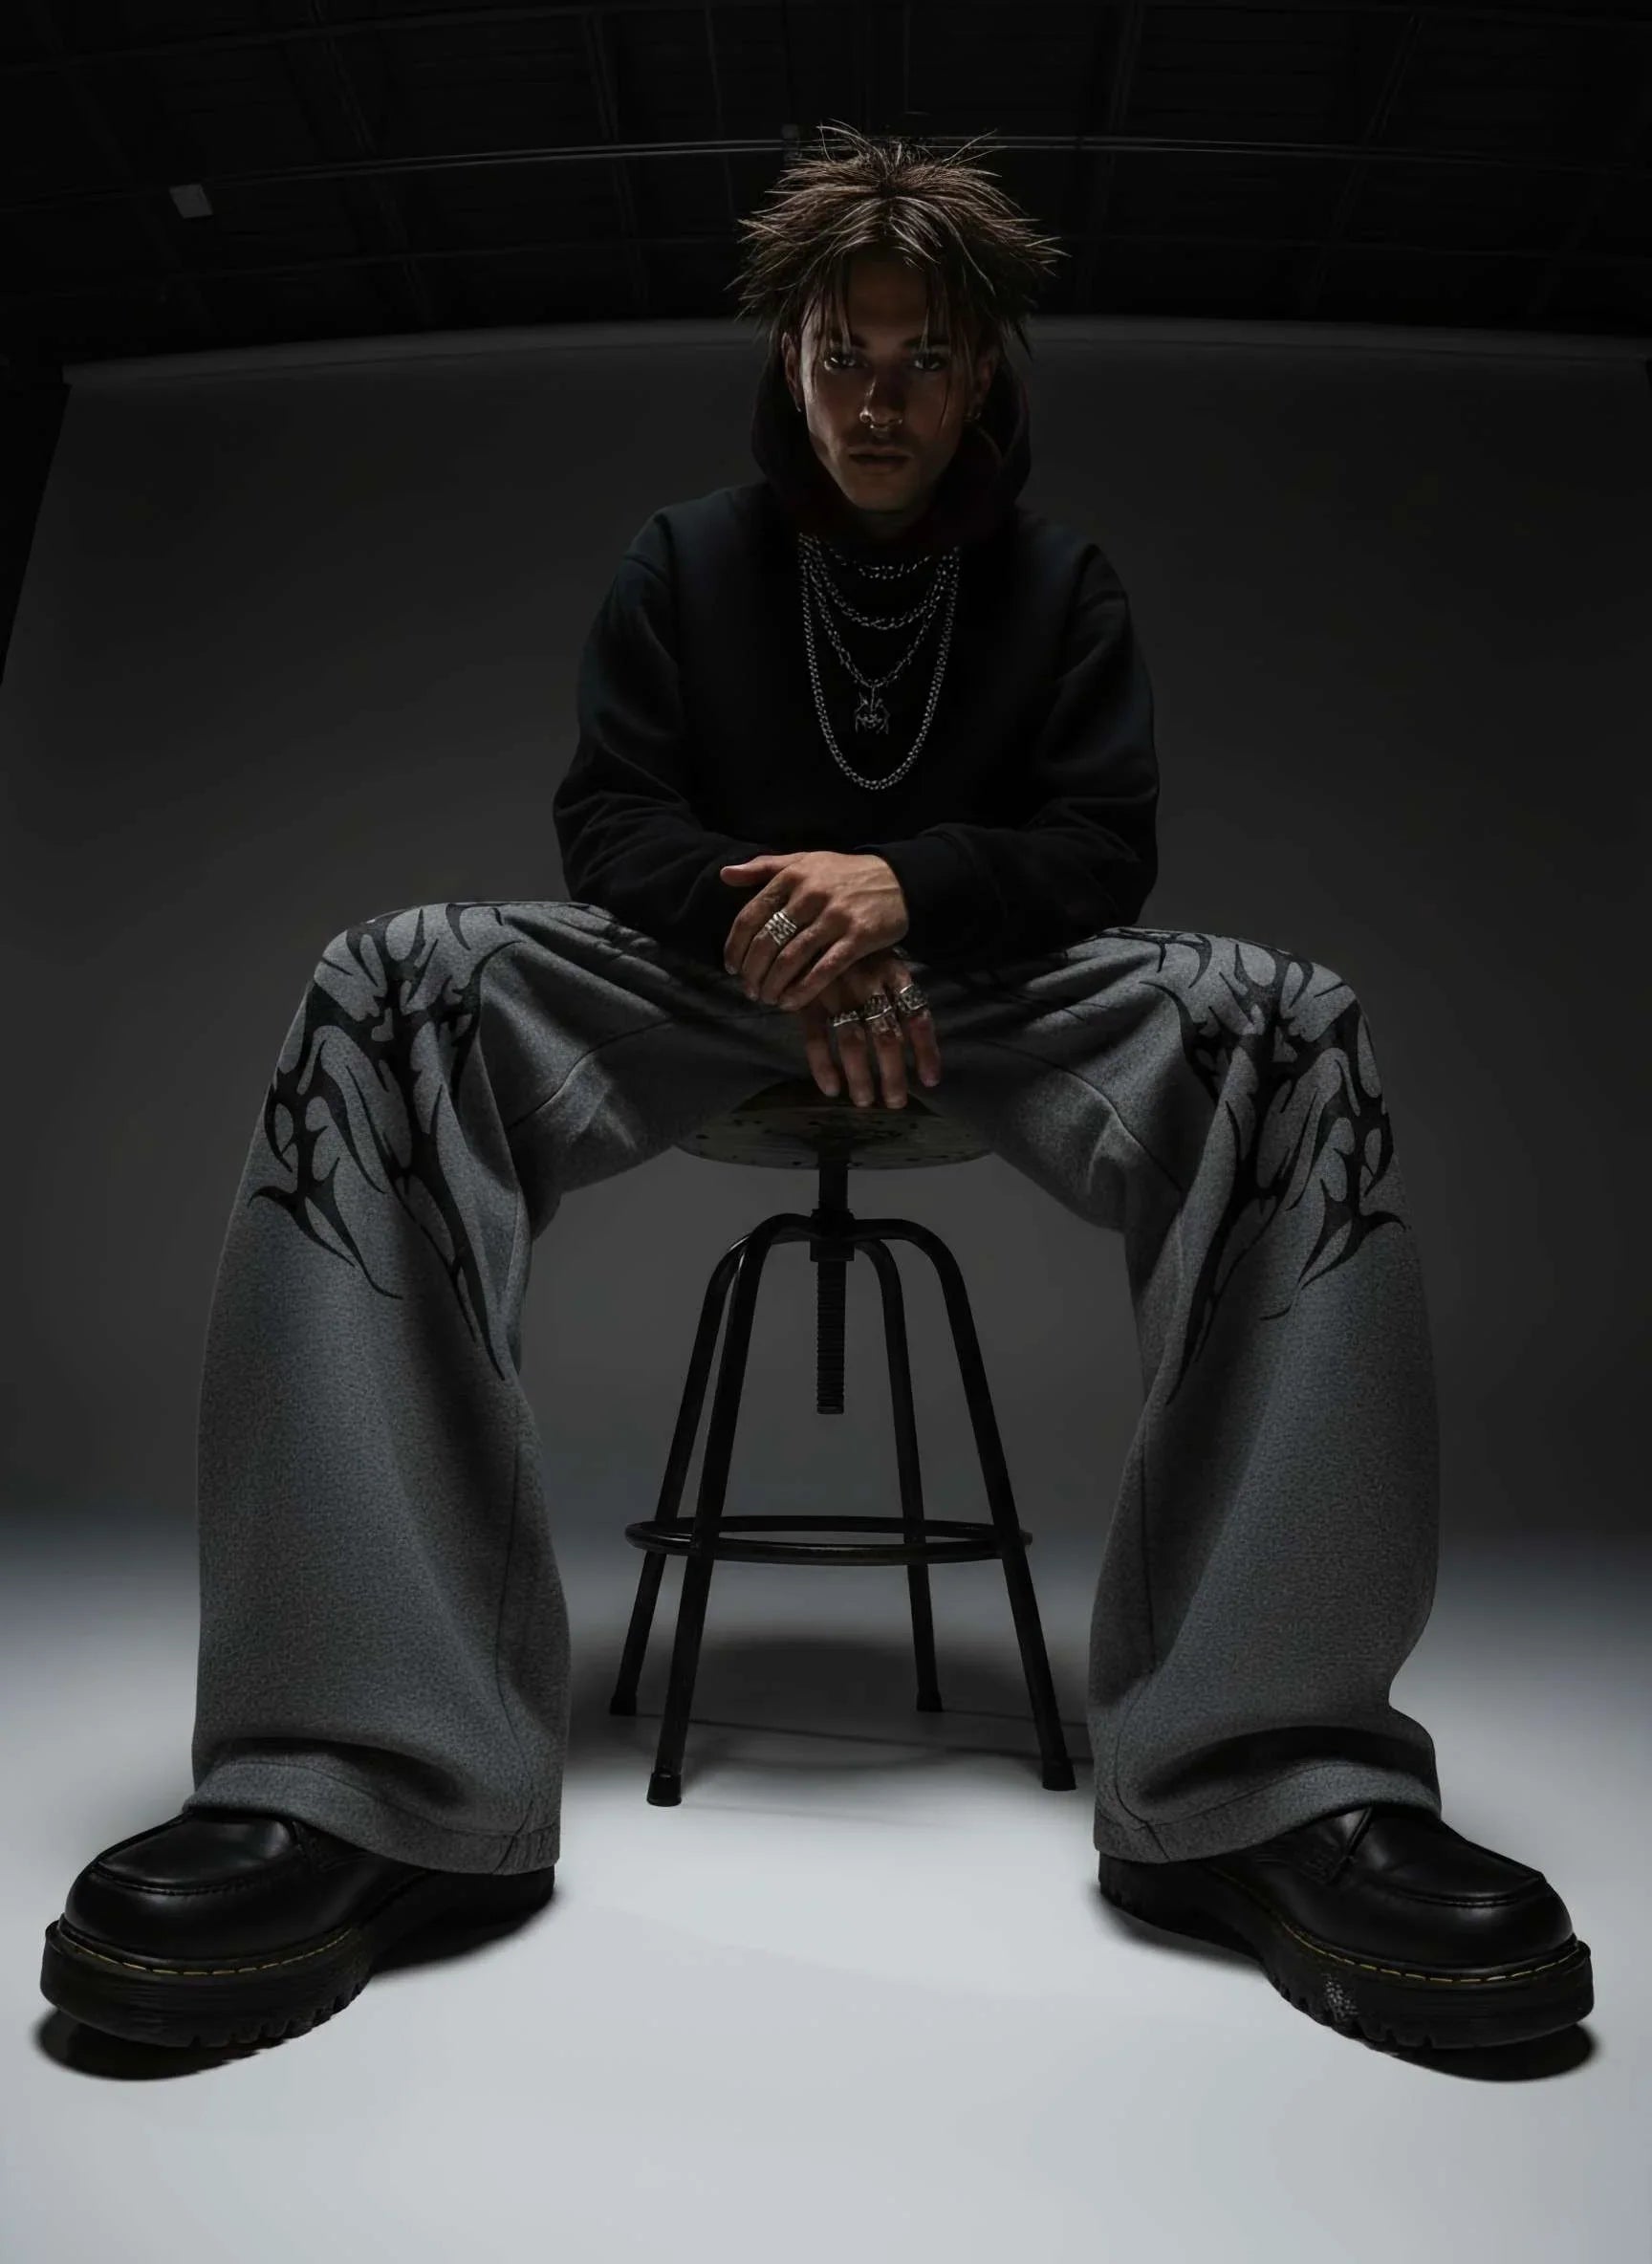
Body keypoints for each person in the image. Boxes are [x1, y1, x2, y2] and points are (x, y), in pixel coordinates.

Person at [40, 126, 1591, 2057]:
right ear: (786, 355)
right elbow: (609, 817)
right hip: (707, 994)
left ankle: (1269, 1771)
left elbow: (1103, 847)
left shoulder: (1063, 582)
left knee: (1295, 1024)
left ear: (985, 373)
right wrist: (793, 928)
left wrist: (911, 899)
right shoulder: (682, 561)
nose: (881, 396)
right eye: (843, 355)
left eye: (924, 358)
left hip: (1006, 1003)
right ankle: (355, 1763)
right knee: (382, 984)